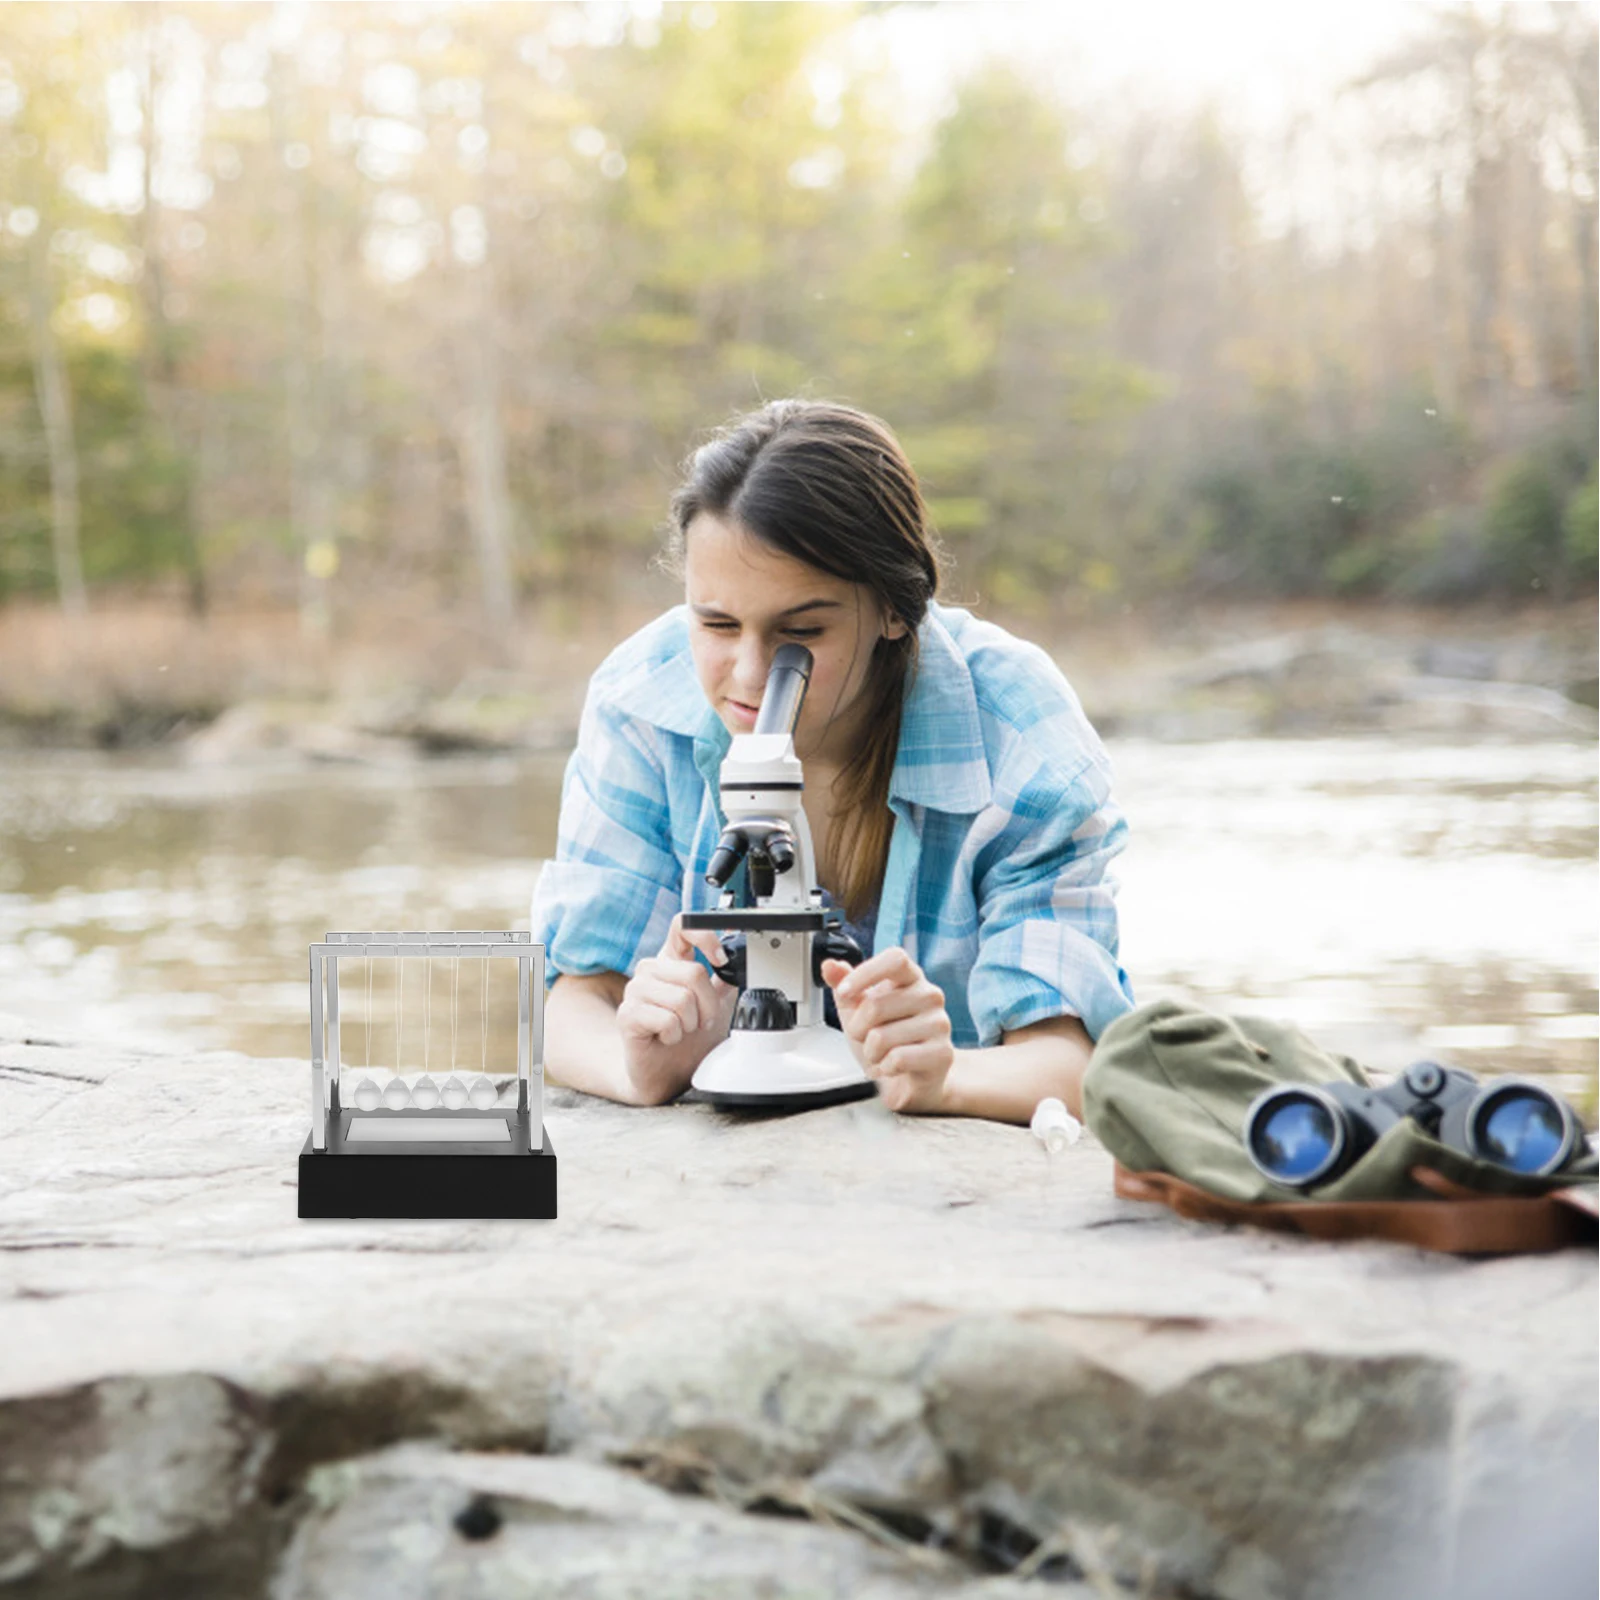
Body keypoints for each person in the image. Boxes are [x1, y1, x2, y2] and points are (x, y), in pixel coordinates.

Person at [531, 399, 1133, 1123]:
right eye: (716, 623)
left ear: (894, 608)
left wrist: (948, 1077)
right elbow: (575, 998)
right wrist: (636, 1064)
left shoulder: (1020, 730)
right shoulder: (640, 700)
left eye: (802, 629)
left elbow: (1069, 1057)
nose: (750, 675)